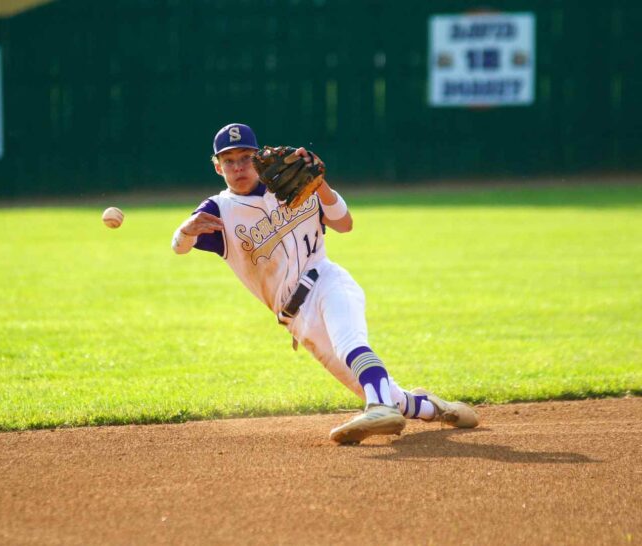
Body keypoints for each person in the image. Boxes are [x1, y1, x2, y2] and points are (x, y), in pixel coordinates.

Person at [171, 123, 479, 444]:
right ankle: (435, 408)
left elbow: (344, 224)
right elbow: (179, 247)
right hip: (297, 321)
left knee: (350, 346)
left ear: (259, 157)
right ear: (218, 166)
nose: (238, 167)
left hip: (327, 282)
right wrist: (187, 229)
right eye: (229, 160)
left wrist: (321, 186)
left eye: (245, 157)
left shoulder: (295, 184)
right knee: (386, 393)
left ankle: (378, 407)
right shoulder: (218, 210)